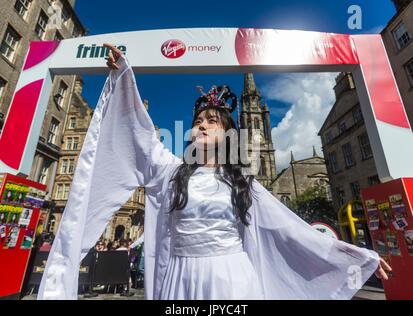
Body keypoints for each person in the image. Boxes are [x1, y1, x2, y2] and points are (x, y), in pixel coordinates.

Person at [38, 44, 391, 300]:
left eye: (212, 121)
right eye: (197, 121)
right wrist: (125, 76)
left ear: (227, 135)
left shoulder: (243, 184)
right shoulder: (170, 171)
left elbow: (292, 231)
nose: (202, 125)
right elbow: (139, 133)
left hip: (229, 281)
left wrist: (356, 257)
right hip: (180, 280)